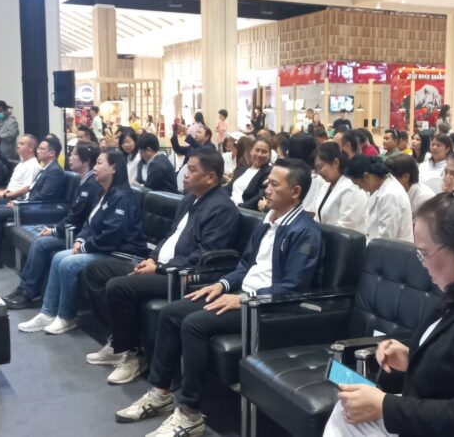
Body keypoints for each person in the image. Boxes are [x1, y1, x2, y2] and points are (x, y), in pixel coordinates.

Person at [116, 158, 323, 436]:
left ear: (295, 192)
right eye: (268, 183)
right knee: (172, 312)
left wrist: (244, 299)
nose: (267, 189)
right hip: (242, 295)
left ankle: (190, 413)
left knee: (194, 324)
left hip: (266, 307)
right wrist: (222, 284)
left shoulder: (305, 232)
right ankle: (161, 392)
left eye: (274, 185)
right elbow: (245, 264)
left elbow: (293, 287)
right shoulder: (268, 221)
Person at [324, 192, 454, 437]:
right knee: (346, 412)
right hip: (439, 412)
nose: (423, 264)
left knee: (348, 420)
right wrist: (413, 358)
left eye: (424, 254)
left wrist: (383, 406)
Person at [80, 147, 240, 382]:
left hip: (180, 275)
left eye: (192, 170)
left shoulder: (222, 209)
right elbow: (169, 236)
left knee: (119, 287)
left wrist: (160, 268)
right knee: (95, 271)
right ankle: (117, 340)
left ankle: (133, 354)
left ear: (211, 177)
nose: (185, 174)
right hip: (159, 266)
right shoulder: (189, 199)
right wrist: (152, 258)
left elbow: (204, 256)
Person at [18, 149, 149, 335]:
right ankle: (48, 313)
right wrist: (80, 239)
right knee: (58, 258)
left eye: (99, 163)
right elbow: (89, 222)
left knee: (68, 264)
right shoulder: (104, 193)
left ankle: (66, 317)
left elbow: (114, 233)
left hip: (121, 253)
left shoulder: (124, 196)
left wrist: (86, 246)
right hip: (103, 249)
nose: (95, 167)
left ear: (113, 168)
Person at [3, 142, 102, 309]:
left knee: (41, 243)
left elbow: (77, 216)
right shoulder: (83, 181)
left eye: (74, 154)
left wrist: (56, 230)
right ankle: (24, 288)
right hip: (73, 228)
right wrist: (55, 229)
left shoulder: (91, 184)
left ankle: (30, 293)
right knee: (39, 240)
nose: (70, 158)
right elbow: (73, 213)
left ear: (85, 161)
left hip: (78, 234)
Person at [0, 136, 66, 268]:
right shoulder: (46, 168)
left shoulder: (55, 171)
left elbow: (43, 197)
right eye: (38, 148)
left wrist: (20, 204)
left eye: (42, 149)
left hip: (36, 209)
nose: (38, 150)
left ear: (52, 153)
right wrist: (19, 201)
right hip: (27, 204)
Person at [346, 155, 413, 242]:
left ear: (366, 176)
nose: (360, 188)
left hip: (393, 248)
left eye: (359, 184)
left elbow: (386, 238)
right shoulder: (381, 186)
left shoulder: (390, 194)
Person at [313, 142, 367, 232]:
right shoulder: (326, 186)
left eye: (320, 167)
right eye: (317, 169)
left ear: (336, 162)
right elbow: (318, 217)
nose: (319, 172)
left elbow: (346, 225)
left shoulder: (351, 188)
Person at [226, 135, 272, 210]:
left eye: (264, 152)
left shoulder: (269, 173)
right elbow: (228, 188)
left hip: (243, 210)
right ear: (251, 151)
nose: (259, 154)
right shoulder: (242, 168)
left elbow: (259, 197)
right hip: (228, 205)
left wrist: (238, 207)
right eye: (257, 150)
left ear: (269, 155)